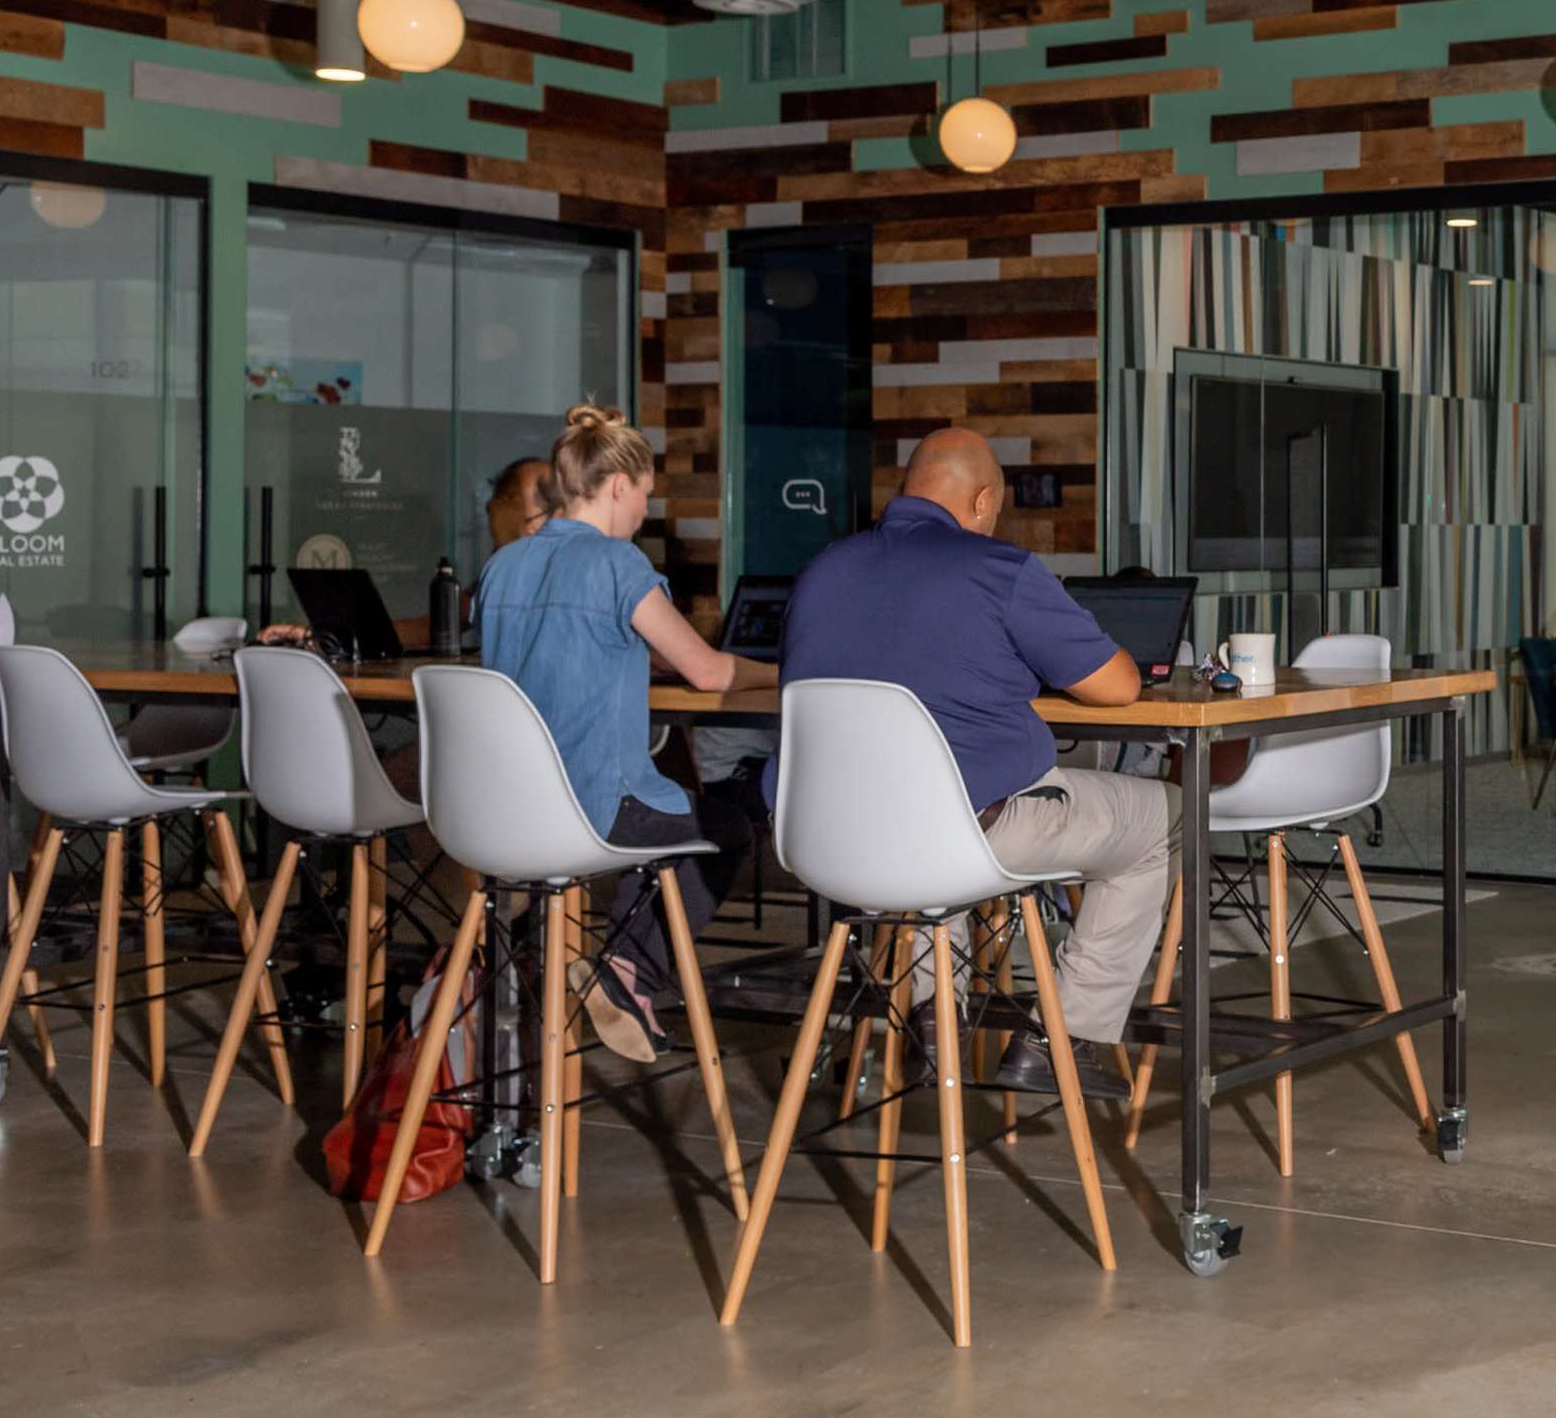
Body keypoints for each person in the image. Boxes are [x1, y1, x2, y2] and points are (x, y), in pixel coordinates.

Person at [777, 428, 1171, 1094]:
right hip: (965, 832)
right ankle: (1065, 1037)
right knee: (1169, 817)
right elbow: (1120, 687)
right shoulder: (999, 570)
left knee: (931, 822)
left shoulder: (823, 570)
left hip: (830, 843)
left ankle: (938, 1019)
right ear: (984, 499)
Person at [476, 403, 766, 1061]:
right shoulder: (618, 563)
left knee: (685, 820)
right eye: (643, 494)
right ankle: (627, 971)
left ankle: (549, 988)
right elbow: (707, 670)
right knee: (724, 829)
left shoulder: (502, 568)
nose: (643, 510)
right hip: (596, 809)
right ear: (615, 486)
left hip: (502, 816)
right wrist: (781, 672)